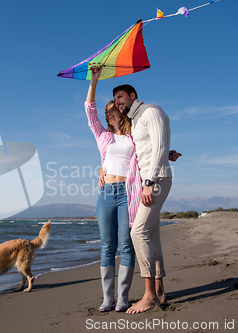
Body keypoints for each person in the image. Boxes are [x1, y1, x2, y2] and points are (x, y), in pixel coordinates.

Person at [110, 83, 176, 314]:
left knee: (138, 232)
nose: (118, 102)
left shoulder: (151, 111)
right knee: (151, 233)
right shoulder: (136, 120)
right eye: (115, 99)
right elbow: (151, 149)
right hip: (148, 180)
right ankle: (159, 290)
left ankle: (148, 295)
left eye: (120, 97)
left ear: (132, 96)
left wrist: (149, 183)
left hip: (154, 181)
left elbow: (157, 147)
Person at [85, 66, 141, 312]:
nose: (109, 114)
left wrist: (167, 154)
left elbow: (148, 151)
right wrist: (94, 82)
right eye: (106, 112)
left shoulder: (132, 137)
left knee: (126, 245)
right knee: (107, 245)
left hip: (127, 195)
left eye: (113, 110)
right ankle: (108, 298)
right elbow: (89, 111)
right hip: (107, 193)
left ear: (121, 113)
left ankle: (123, 297)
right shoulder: (102, 137)